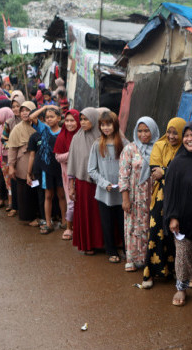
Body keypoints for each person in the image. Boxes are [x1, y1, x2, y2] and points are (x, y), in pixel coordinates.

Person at [164, 121, 192, 306]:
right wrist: (172, 216)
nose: (190, 139)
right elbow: (170, 193)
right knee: (182, 254)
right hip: (181, 219)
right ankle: (181, 288)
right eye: (187, 136)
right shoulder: (177, 163)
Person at [140, 117, 185, 287]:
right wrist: (171, 171)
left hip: (179, 197)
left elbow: (183, 171)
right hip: (160, 196)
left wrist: (166, 171)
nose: (172, 136)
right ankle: (150, 273)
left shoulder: (184, 148)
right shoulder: (159, 145)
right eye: (169, 132)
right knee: (156, 232)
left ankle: (175, 272)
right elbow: (154, 171)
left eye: (176, 133)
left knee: (175, 234)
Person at [119, 117, 159, 272]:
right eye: (140, 131)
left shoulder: (159, 148)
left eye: (147, 130)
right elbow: (123, 175)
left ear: (153, 130)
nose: (143, 134)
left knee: (151, 226)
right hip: (134, 197)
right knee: (133, 227)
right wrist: (125, 198)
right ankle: (132, 258)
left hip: (153, 195)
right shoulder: (130, 149)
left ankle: (149, 259)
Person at [87, 111, 128, 263]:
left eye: (108, 124)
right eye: (103, 125)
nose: (106, 128)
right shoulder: (97, 145)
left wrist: (123, 184)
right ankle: (111, 251)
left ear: (115, 125)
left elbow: (130, 166)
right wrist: (105, 184)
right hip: (104, 193)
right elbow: (91, 169)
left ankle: (127, 251)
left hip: (122, 193)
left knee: (124, 224)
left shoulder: (125, 143)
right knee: (107, 223)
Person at [67, 108, 105, 255]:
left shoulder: (102, 137)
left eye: (86, 119)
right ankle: (89, 244)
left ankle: (104, 242)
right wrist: (71, 187)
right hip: (83, 184)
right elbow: (72, 163)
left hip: (100, 182)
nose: (82, 122)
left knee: (101, 214)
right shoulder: (77, 138)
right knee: (88, 214)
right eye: (81, 119)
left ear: (94, 119)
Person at [28, 105, 66, 234]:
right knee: (48, 195)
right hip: (46, 168)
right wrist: (46, 106)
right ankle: (48, 223)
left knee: (61, 195)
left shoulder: (63, 131)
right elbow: (31, 117)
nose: (49, 119)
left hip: (60, 168)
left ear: (58, 118)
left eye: (52, 117)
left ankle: (65, 222)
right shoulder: (44, 128)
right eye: (47, 117)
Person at [6, 101, 38, 223]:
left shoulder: (39, 126)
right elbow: (12, 148)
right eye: (22, 110)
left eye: (28, 110)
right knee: (25, 191)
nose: (25, 113)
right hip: (23, 164)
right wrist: (11, 166)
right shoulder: (17, 129)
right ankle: (27, 217)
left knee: (37, 189)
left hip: (37, 164)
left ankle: (38, 215)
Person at [54, 109, 80, 240]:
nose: (70, 124)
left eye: (73, 120)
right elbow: (58, 157)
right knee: (71, 202)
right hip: (67, 174)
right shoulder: (62, 136)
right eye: (67, 121)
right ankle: (69, 227)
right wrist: (74, 153)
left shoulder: (83, 134)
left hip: (83, 173)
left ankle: (80, 228)